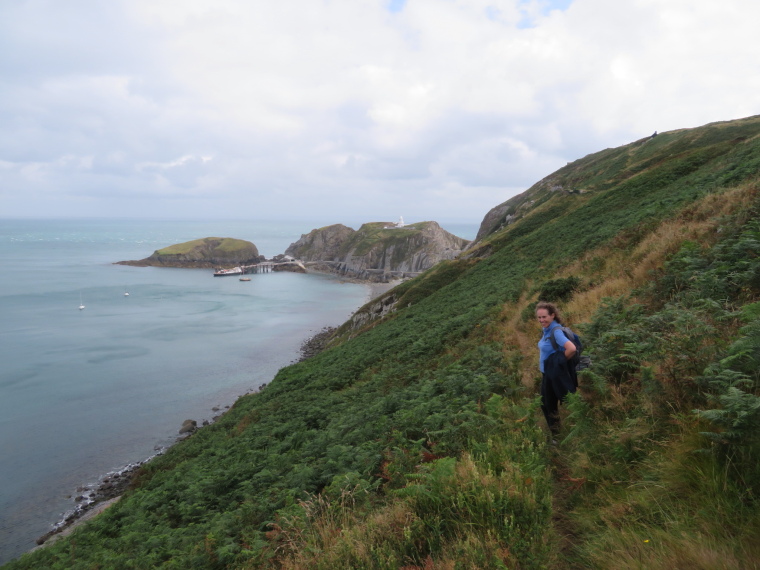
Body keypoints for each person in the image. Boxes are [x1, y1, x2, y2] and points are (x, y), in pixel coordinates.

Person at [536, 302, 577, 437]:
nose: (541, 320)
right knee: (548, 403)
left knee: (548, 404)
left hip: (552, 374)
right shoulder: (547, 330)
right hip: (548, 374)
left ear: (553, 315)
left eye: (544, 317)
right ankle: (560, 432)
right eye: (539, 317)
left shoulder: (556, 331)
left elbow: (571, 349)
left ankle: (557, 436)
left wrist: (558, 362)